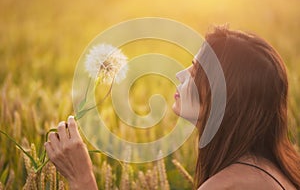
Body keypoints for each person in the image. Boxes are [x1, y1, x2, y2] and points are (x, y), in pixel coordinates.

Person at [45, 26, 300, 190]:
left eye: (197, 71)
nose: (180, 74)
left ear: (227, 97)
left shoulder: (228, 186)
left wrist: (82, 179)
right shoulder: (273, 169)